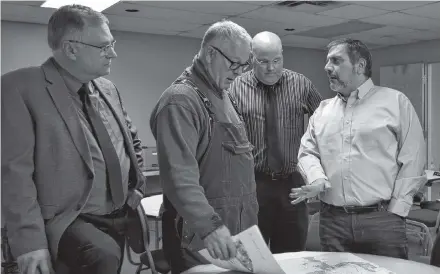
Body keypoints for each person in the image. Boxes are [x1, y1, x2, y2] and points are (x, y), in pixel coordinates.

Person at [1, 5, 147, 274]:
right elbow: (14, 174)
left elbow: (131, 142)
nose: (113, 53)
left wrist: (136, 186)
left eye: (112, 44)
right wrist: (28, 242)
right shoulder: (17, 88)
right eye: (103, 47)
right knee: (103, 256)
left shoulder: (107, 88)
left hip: (118, 215)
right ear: (71, 49)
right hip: (67, 220)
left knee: (109, 259)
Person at [291, 38, 426, 259]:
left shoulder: (394, 102)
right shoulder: (323, 111)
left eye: (336, 61)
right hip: (332, 221)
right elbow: (308, 152)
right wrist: (317, 179)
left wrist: (397, 209)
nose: (327, 67)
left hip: (381, 219)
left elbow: (413, 157)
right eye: (327, 62)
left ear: (360, 66)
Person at [149, 20, 257, 274]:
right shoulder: (181, 101)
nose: (240, 72)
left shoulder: (223, 94)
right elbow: (180, 178)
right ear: (210, 53)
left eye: (245, 65)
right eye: (234, 64)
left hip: (236, 232)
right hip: (202, 238)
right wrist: (209, 226)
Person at [229, 31, 322, 253]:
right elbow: (225, 138)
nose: (271, 68)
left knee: (292, 254)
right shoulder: (236, 88)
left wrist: (318, 170)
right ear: (252, 58)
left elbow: (326, 125)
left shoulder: (301, 84)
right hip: (253, 184)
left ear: (282, 55)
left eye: (276, 60)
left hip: (293, 183)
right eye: (263, 61)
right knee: (253, 254)